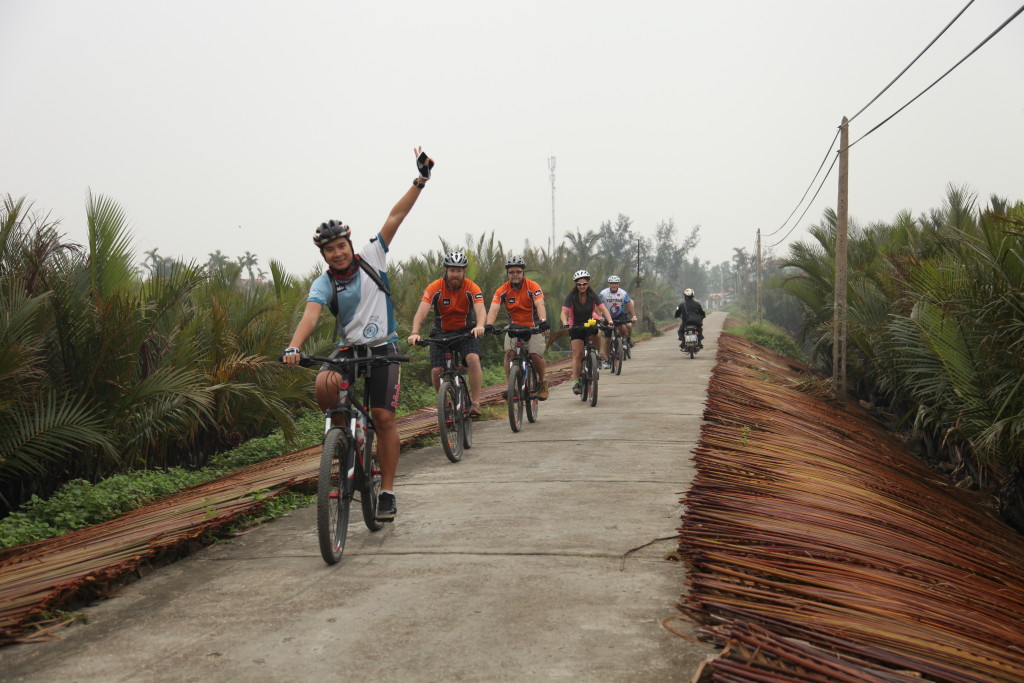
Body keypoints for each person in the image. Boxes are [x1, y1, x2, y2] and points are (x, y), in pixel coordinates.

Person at [283, 147, 434, 523]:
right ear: (322, 254)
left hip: (384, 347)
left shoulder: (372, 256)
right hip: (349, 348)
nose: (336, 254)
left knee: (383, 417)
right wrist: (294, 346)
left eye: (340, 246)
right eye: (329, 250)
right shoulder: (324, 282)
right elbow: (311, 316)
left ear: (350, 244)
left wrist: (420, 180)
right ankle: (342, 444)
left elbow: (396, 216)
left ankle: (387, 491)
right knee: (324, 386)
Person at [407, 251, 486, 416]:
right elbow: (421, 312)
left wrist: (479, 326)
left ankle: (476, 403)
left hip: (465, 332)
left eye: (458, 271)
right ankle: (446, 403)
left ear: (464, 272)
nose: (455, 274)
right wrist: (415, 332)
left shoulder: (472, 288)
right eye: (452, 270)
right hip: (441, 333)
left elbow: (480, 310)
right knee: (436, 371)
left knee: (473, 359)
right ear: (446, 271)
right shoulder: (435, 288)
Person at [484, 255, 551, 400]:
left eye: (518, 272)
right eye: (512, 272)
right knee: (509, 353)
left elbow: (540, 304)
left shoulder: (533, 286)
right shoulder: (502, 290)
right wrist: (489, 325)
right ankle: (511, 387)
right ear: (507, 274)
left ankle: (541, 382)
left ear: (523, 273)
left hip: (534, 327)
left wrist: (543, 321)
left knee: (535, 355)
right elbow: (494, 307)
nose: (515, 275)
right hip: (514, 327)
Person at [559, 269, 614, 395]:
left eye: (584, 284)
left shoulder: (593, 295)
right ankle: (576, 383)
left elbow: (603, 309)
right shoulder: (571, 296)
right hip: (576, 327)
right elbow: (564, 312)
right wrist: (565, 323)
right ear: (576, 285)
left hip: (590, 323)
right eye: (579, 284)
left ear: (588, 284)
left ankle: (596, 355)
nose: (582, 286)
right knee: (577, 355)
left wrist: (610, 321)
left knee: (598, 333)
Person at [598, 275, 637, 368]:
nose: (614, 285)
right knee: (607, 340)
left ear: (618, 284)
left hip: (619, 315)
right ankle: (607, 360)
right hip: (607, 317)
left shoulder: (623, 293)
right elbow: (598, 305)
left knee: (624, 327)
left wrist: (634, 316)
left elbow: (629, 304)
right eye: (612, 283)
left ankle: (622, 340)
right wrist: (599, 316)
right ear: (609, 284)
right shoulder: (603, 293)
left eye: (615, 283)